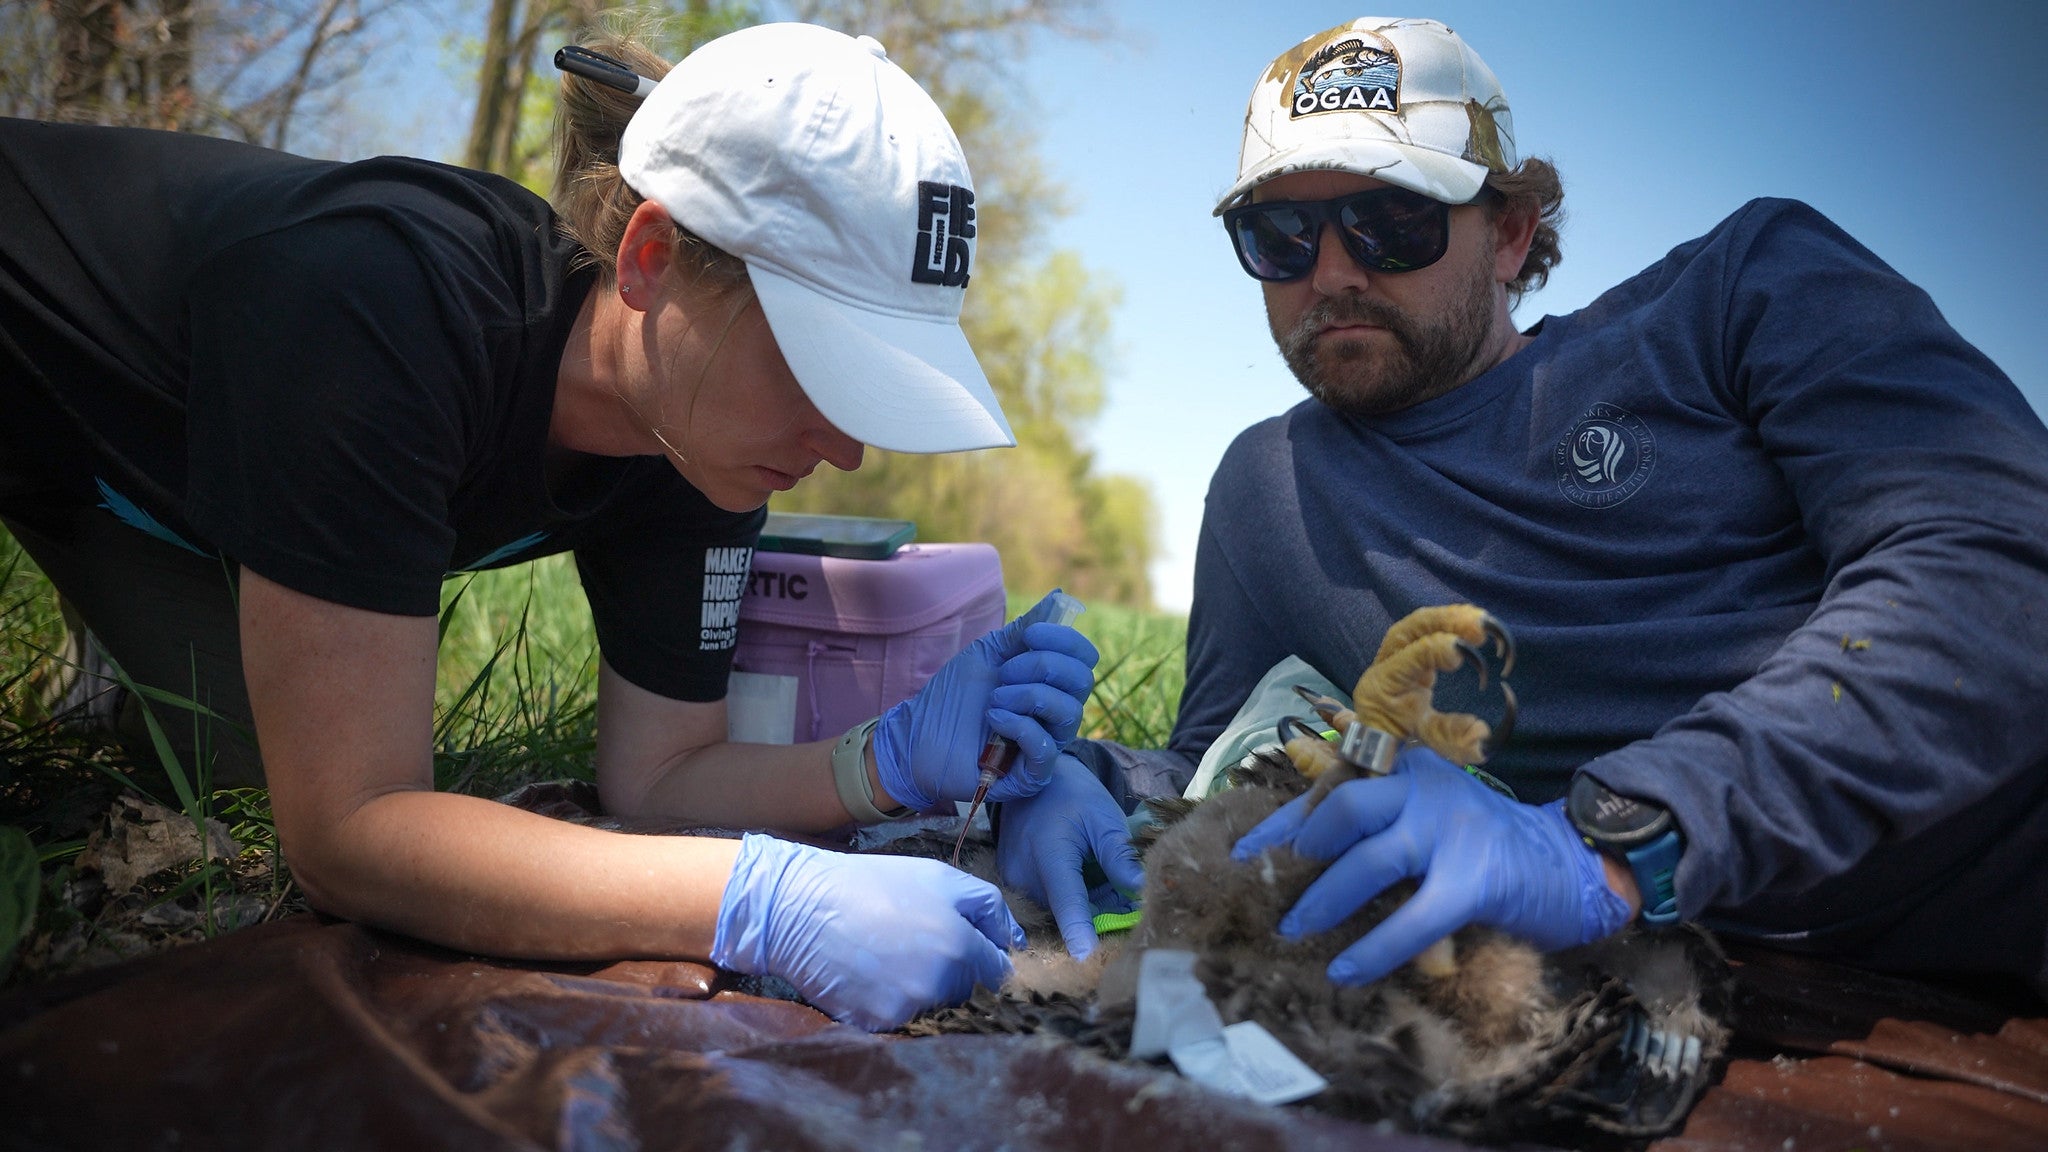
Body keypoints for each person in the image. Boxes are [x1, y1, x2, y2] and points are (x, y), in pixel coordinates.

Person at [0, 22, 1138, 1031]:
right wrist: (752, 904)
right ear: (650, 260)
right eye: (819, 366)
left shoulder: (700, 440)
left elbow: (661, 774)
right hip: (37, 376)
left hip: (148, 485)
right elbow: (348, 832)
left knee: (228, 772)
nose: (843, 446)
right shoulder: (384, 300)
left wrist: (878, 765)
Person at [1075, 15, 2048, 995]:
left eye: (1389, 221)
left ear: (1507, 232)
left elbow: (1994, 579)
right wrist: (1072, 784)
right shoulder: (1268, 492)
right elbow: (1223, 765)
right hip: (1685, 997)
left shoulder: (1740, 293)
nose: (1330, 272)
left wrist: (1618, 839)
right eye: (1279, 235)